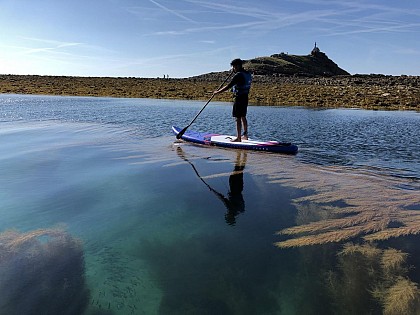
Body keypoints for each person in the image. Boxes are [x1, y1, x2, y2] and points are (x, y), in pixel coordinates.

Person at [213, 58, 252, 142]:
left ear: (237, 66)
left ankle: (238, 138)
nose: (233, 69)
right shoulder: (247, 73)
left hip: (239, 98)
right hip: (245, 97)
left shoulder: (238, 75)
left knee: (237, 117)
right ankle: (245, 135)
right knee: (243, 116)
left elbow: (229, 86)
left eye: (234, 67)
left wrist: (217, 92)